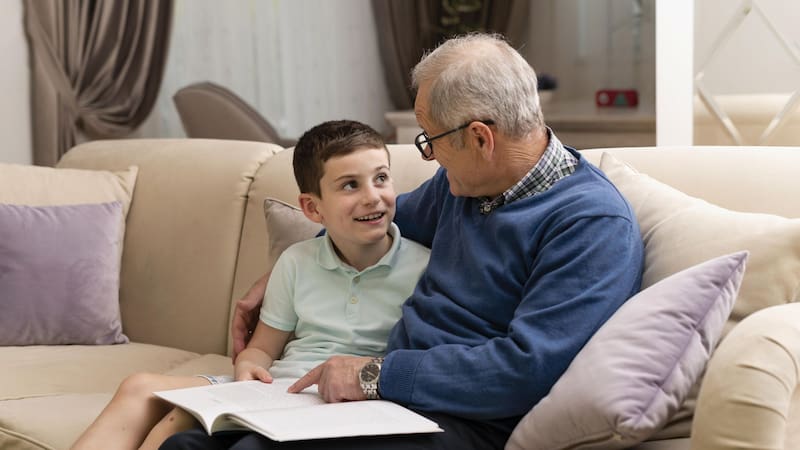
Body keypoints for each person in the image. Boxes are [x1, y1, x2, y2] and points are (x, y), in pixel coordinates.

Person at [162, 33, 644, 450]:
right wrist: (284, 271)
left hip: (464, 421)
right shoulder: (465, 185)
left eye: (430, 139)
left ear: (480, 138)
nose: (429, 156)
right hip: (389, 403)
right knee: (186, 443)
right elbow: (368, 225)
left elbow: (525, 370)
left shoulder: (590, 225)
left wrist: (373, 376)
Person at [70, 120, 430, 450]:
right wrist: (247, 366)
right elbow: (261, 350)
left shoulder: (422, 267)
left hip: (345, 402)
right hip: (274, 392)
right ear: (312, 208)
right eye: (351, 185)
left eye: (381, 178)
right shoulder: (296, 262)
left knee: (176, 430)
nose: (373, 196)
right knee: (142, 393)